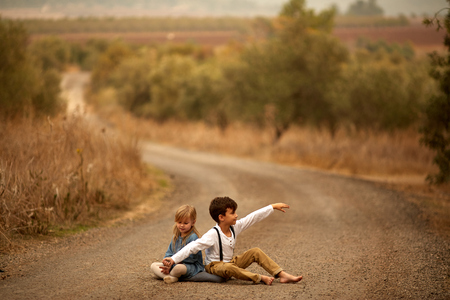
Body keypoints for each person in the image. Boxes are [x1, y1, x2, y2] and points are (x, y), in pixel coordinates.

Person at [162, 197, 303, 285]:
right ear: (221, 217)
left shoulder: (235, 227)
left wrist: (271, 207)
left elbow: (252, 217)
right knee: (228, 268)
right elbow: (193, 246)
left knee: (255, 252)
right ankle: (259, 278)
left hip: (230, 263)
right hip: (214, 266)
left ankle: (282, 275)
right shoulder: (212, 234)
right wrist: (173, 259)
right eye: (233, 213)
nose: (236, 216)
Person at [150, 204, 205, 284]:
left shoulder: (193, 237)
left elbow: (192, 258)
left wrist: (175, 261)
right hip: (173, 265)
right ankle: (170, 277)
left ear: (193, 222)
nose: (182, 225)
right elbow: (169, 253)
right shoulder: (175, 236)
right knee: (153, 265)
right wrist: (167, 263)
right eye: (179, 222)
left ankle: (164, 275)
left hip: (189, 266)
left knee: (178, 269)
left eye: (186, 223)